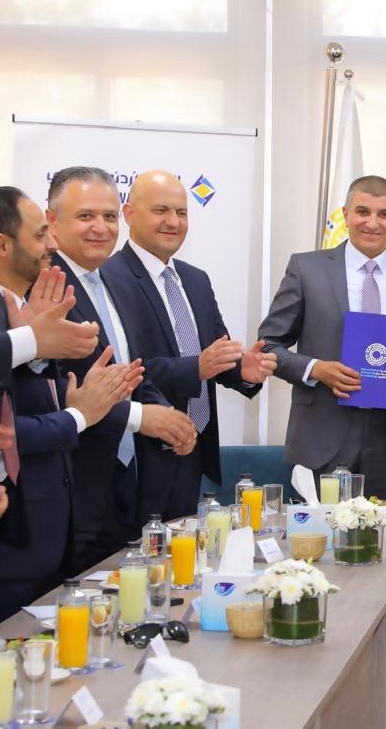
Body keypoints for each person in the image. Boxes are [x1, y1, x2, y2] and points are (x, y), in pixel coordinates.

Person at [0, 186, 138, 620]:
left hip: (46, 532)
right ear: (2, 244)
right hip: (12, 539)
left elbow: (21, 394)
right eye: (41, 234)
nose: (52, 243)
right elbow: (10, 429)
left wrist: (55, 377)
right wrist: (79, 415)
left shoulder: (23, 304)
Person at [259, 175, 386, 499]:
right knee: (320, 531)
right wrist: (316, 369)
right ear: (346, 214)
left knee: (382, 531)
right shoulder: (307, 269)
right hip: (322, 434)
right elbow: (269, 345)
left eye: (384, 214)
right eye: (363, 211)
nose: (372, 223)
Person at [45, 167, 199, 568]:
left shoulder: (113, 281)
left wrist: (164, 414)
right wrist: (139, 416)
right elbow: (47, 391)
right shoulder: (42, 287)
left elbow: (131, 368)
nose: (101, 228)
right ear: (52, 221)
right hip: (68, 488)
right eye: (86, 216)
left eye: (109, 216)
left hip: (123, 483)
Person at [102, 171, 274, 520]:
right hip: (137, 454)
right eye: (161, 210)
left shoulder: (196, 279)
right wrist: (194, 367)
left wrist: (243, 370)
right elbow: (120, 367)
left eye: (181, 212)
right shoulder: (108, 277)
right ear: (129, 214)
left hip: (193, 450)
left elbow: (215, 353)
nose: (173, 221)